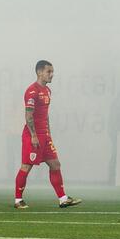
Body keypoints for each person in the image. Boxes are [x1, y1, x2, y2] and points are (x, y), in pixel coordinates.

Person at [13, 60, 81, 209]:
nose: (52, 75)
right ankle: (18, 200)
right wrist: (34, 135)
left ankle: (63, 198)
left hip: (45, 135)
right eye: (49, 72)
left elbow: (45, 114)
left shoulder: (47, 91)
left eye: (52, 72)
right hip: (33, 135)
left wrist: (48, 132)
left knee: (55, 164)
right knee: (26, 166)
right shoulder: (32, 91)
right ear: (39, 72)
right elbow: (28, 116)